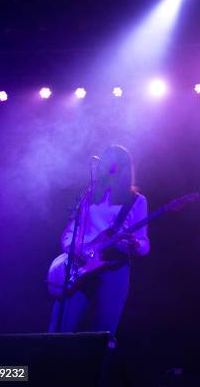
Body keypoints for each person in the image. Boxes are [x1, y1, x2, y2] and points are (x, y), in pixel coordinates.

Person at [49, 145, 149, 340]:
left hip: (114, 269)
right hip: (80, 267)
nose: (104, 164)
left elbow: (144, 243)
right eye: (104, 159)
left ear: (122, 168)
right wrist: (74, 249)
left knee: (103, 334)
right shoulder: (89, 195)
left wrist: (135, 244)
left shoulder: (136, 201)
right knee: (60, 328)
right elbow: (69, 233)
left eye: (111, 161)